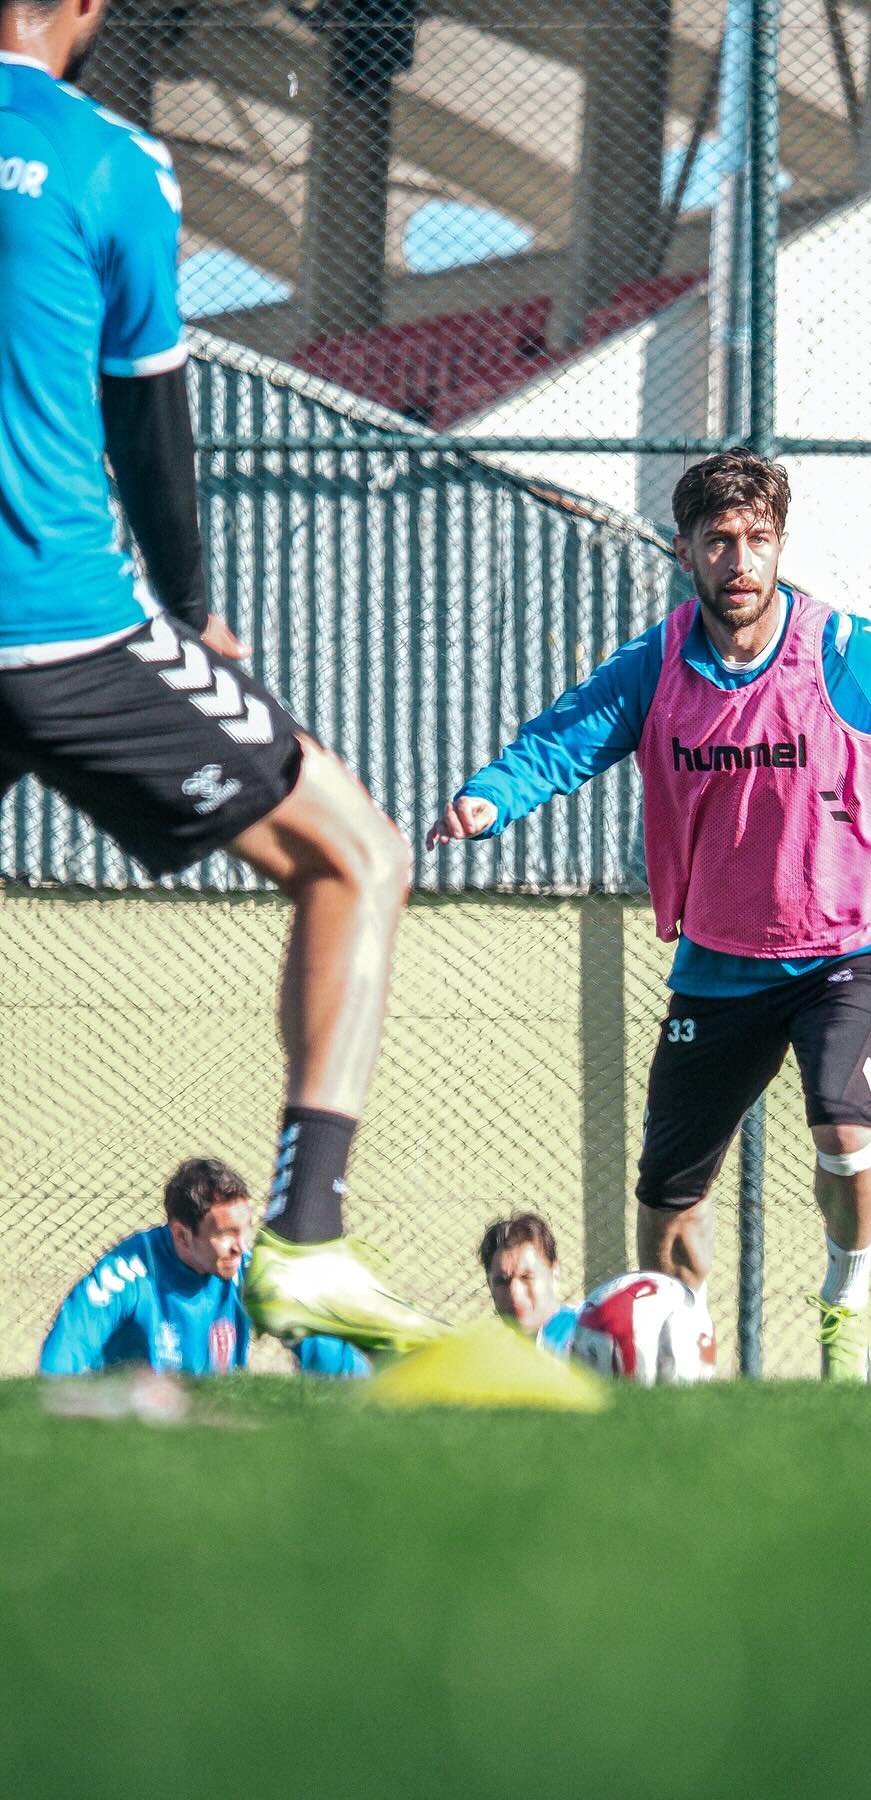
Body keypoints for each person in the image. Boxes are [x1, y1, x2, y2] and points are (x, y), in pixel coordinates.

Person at [430, 447, 871, 1380]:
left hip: (853, 945)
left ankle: (845, 1303)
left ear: (780, 546)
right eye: (719, 541)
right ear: (684, 550)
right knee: (666, 1204)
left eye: (758, 539)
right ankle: (681, 1364)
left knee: (843, 1125)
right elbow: (559, 743)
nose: (741, 561)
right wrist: (489, 798)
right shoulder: (656, 665)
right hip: (720, 960)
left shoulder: (846, 654)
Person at [0, 0, 440, 1352]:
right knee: (358, 852)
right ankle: (304, 1236)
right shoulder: (110, 162)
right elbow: (149, 420)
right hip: (58, 627)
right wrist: (190, 616)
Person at [39, 1157, 369, 1376]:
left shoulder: (249, 1271)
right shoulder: (128, 1271)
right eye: (226, 1234)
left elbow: (331, 1357)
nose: (241, 1246)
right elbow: (63, 1357)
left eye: (245, 1229)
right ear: (182, 1236)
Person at [479, 1212, 578, 1356]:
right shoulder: (491, 1356)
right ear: (490, 1284)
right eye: (502, 1281)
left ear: (554, 1275)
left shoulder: (588, 1337)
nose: (514, 1292)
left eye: (526, 1277)